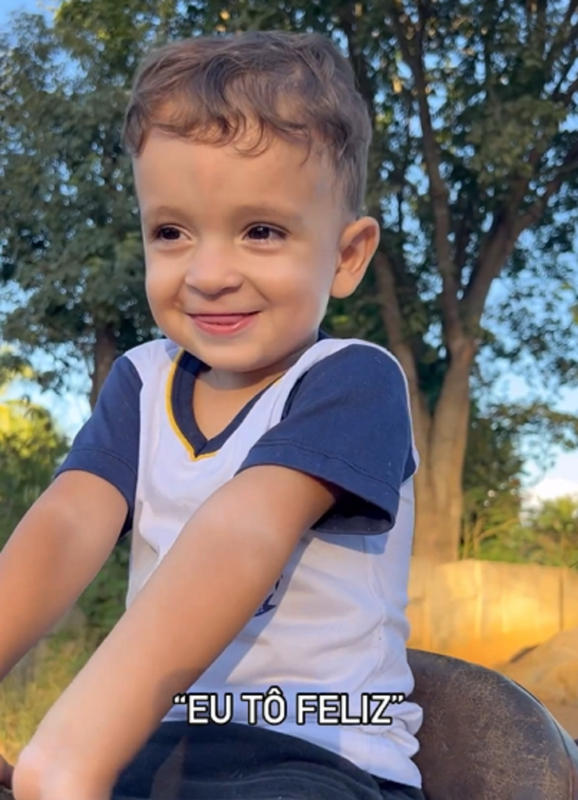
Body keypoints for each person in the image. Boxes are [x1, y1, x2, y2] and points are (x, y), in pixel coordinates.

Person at [0, 30, 425, 800]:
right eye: (172, 231)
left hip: (314, 756)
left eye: (261, 231)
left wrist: (71, 746)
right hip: (154, 746)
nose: (208, 273)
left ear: (347, 255)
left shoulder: (351, 381)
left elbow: (244, 530)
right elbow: (64, 527)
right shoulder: (141, 381)